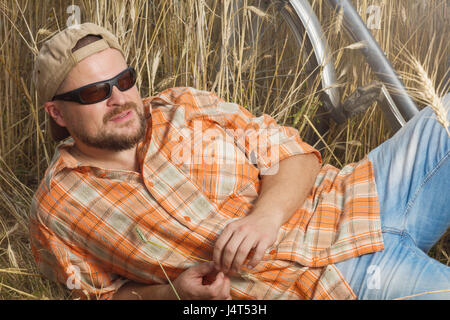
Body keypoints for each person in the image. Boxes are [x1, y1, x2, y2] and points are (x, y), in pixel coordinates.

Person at [29, 23, 450, 300]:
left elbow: (295, 156)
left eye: (124, 81)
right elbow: (100, 296)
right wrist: (173, 292)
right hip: (333, 286)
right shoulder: (58, 209)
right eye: (94, 93)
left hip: (364, 195)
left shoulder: (185, 104)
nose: (119, 99)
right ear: (58, 113)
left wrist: (265, 217)